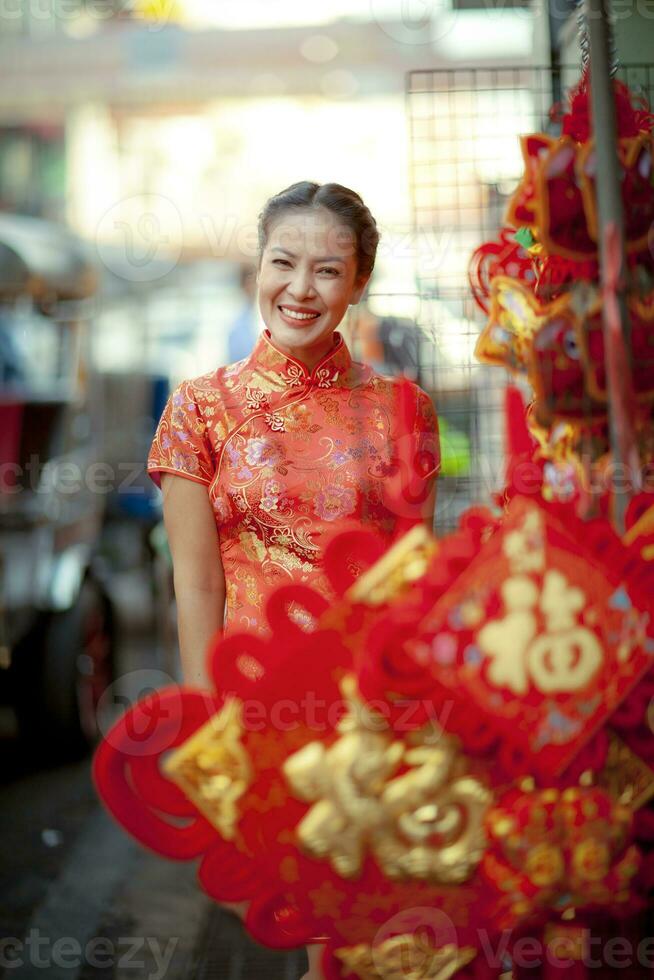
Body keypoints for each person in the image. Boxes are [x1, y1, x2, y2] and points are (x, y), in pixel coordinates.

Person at [146, 181, 440, 979]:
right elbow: (197, 587)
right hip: (259, 711)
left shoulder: (404, 408)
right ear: (258, 265)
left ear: (358, 283)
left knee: (373, 938)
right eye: (283, 262)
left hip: (374, 710)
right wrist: (207, 730)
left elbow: (413, 576)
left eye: (327, 271)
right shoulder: (199, 410)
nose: (300, 290)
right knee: (306, 924)